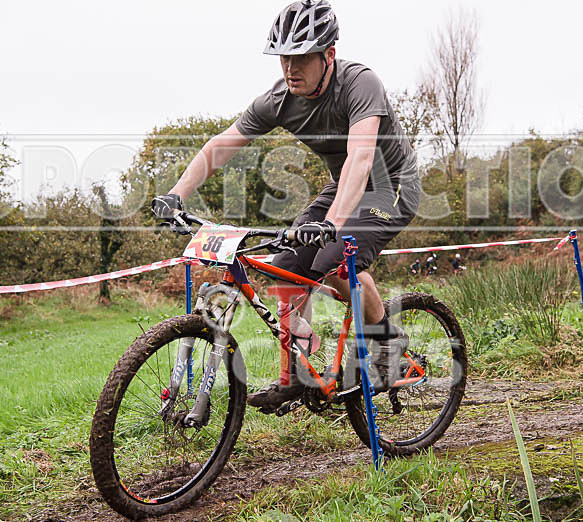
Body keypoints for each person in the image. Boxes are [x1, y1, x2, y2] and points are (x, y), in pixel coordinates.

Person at [151, 0, 420, 411]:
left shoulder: (360, 83)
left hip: (390, 187)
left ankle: (387, 345)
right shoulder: (278, 100)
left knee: (336, 261)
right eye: (283, 58)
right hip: (342, 186)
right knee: (287, 267)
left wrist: (331, 223)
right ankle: (300, 372)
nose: (290, 68)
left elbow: (361, 158)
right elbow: (221, 146)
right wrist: (176, 195)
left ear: (328, 54)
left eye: (301, 58)